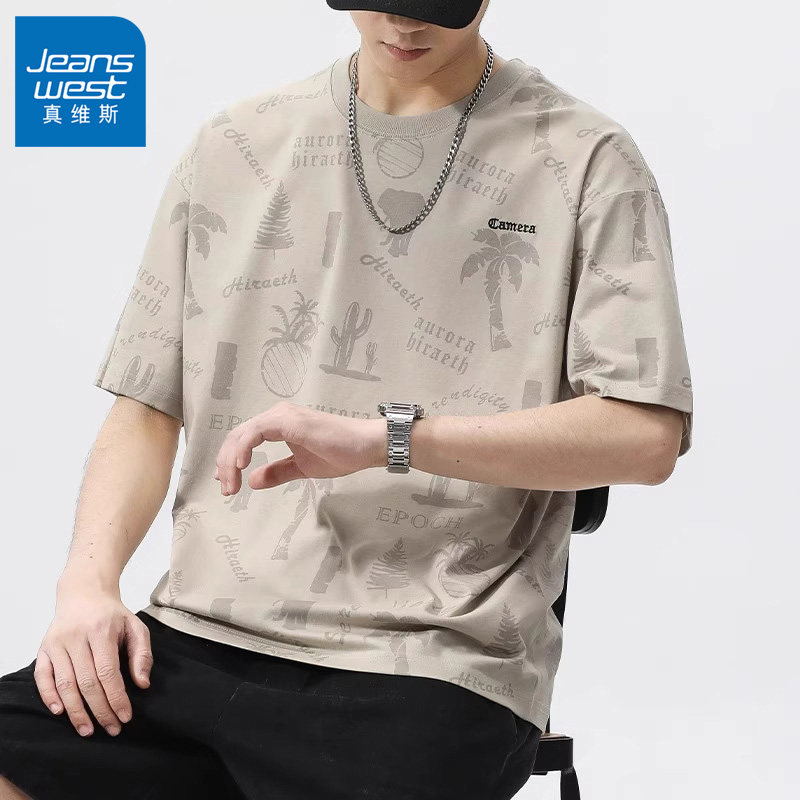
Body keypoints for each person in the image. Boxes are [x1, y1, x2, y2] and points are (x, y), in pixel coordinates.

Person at [0, 0, 694, 798]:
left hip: (434, 659)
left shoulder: (587, 160)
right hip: (197, 636)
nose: (403, 25)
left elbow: (645, 435)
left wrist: (387, 440)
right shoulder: (234, 144)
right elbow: (145, 408)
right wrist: (85, 589)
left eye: (433, 5)